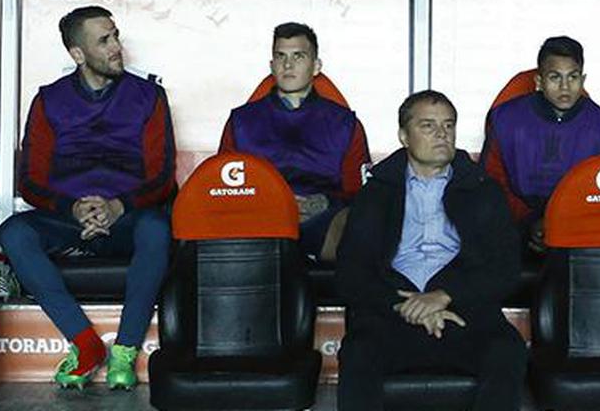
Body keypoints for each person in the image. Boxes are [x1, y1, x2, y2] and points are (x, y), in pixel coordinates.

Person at [0, 6, 175, 390]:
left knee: (158, 227)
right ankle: (86, 343)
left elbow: (162, 178)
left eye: (115, 36)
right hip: (69, 219)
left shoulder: (149, 96)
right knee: (13, 232)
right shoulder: (48, 100)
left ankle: (126, 350)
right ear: (77, 54)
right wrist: (73, 208)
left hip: (127, 218)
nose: (116, 47)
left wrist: (118, 206)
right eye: (104, 40)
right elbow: (30, 180)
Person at [336, 90, 526, 411]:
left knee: (507, 351)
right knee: (358, 353)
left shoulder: (483, 189)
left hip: (463, 312)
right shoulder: (377, 192)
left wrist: (443, 295)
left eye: (448, 126)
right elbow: (351, 273)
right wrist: (408, 304)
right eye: (428, 126)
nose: (442, 134)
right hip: (392, 313)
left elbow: (505, 269)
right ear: (403, 136)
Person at [219, 22, 369, 262]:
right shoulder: (241, 121)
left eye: (298, 56)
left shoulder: (345, 124)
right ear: (272, 66)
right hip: (257, 218)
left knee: (360, 222)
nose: (288, 65)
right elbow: (223, 185)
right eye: (281, 56)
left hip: (323, 217)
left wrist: (323, 202)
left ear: (316, 66)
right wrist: (270, 202)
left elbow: (359, 192)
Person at [482, 36, 600, 254]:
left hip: (576, 225)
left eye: (572, 77)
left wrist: (558, 222)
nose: (565, 86)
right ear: (538, 82)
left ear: (582, 80)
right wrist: (530, 221)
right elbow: (492, 181)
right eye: (555, 77)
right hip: (514, 220)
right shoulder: (505, 119)